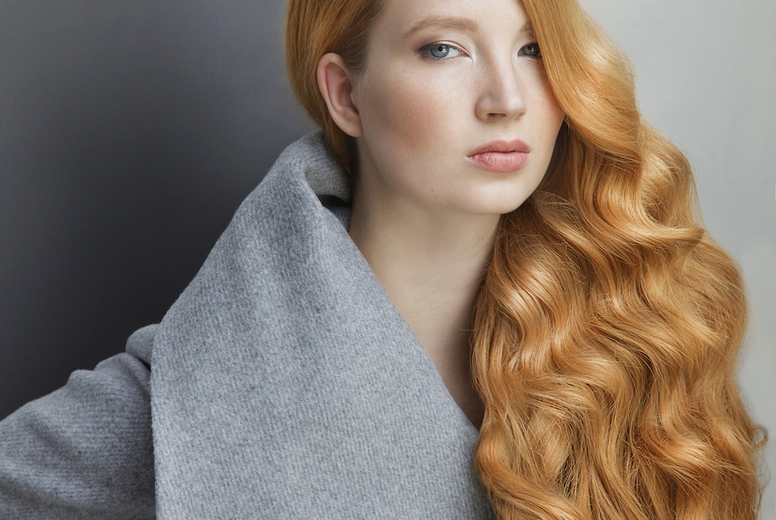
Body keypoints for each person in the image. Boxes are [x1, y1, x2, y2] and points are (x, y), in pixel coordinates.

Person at [0, 0, 766, 518]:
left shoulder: (634, 326)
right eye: (444, 48)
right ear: (346, 97)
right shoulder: (193, 395)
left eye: (534, 49)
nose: (507, 97)